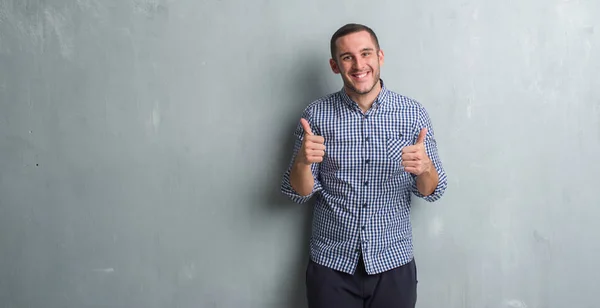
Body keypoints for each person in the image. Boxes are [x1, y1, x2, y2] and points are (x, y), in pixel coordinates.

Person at [280, 23, 448, 308]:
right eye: (347, 57)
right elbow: (300, 192)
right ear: (335, 65)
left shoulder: (412, 114)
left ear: (380, 57)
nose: (359, 65)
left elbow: (433, 190)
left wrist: (425, 169)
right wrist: (302, 161)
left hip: (393, 262)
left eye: (366, 53)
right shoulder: (316, 116)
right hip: (331, 265)